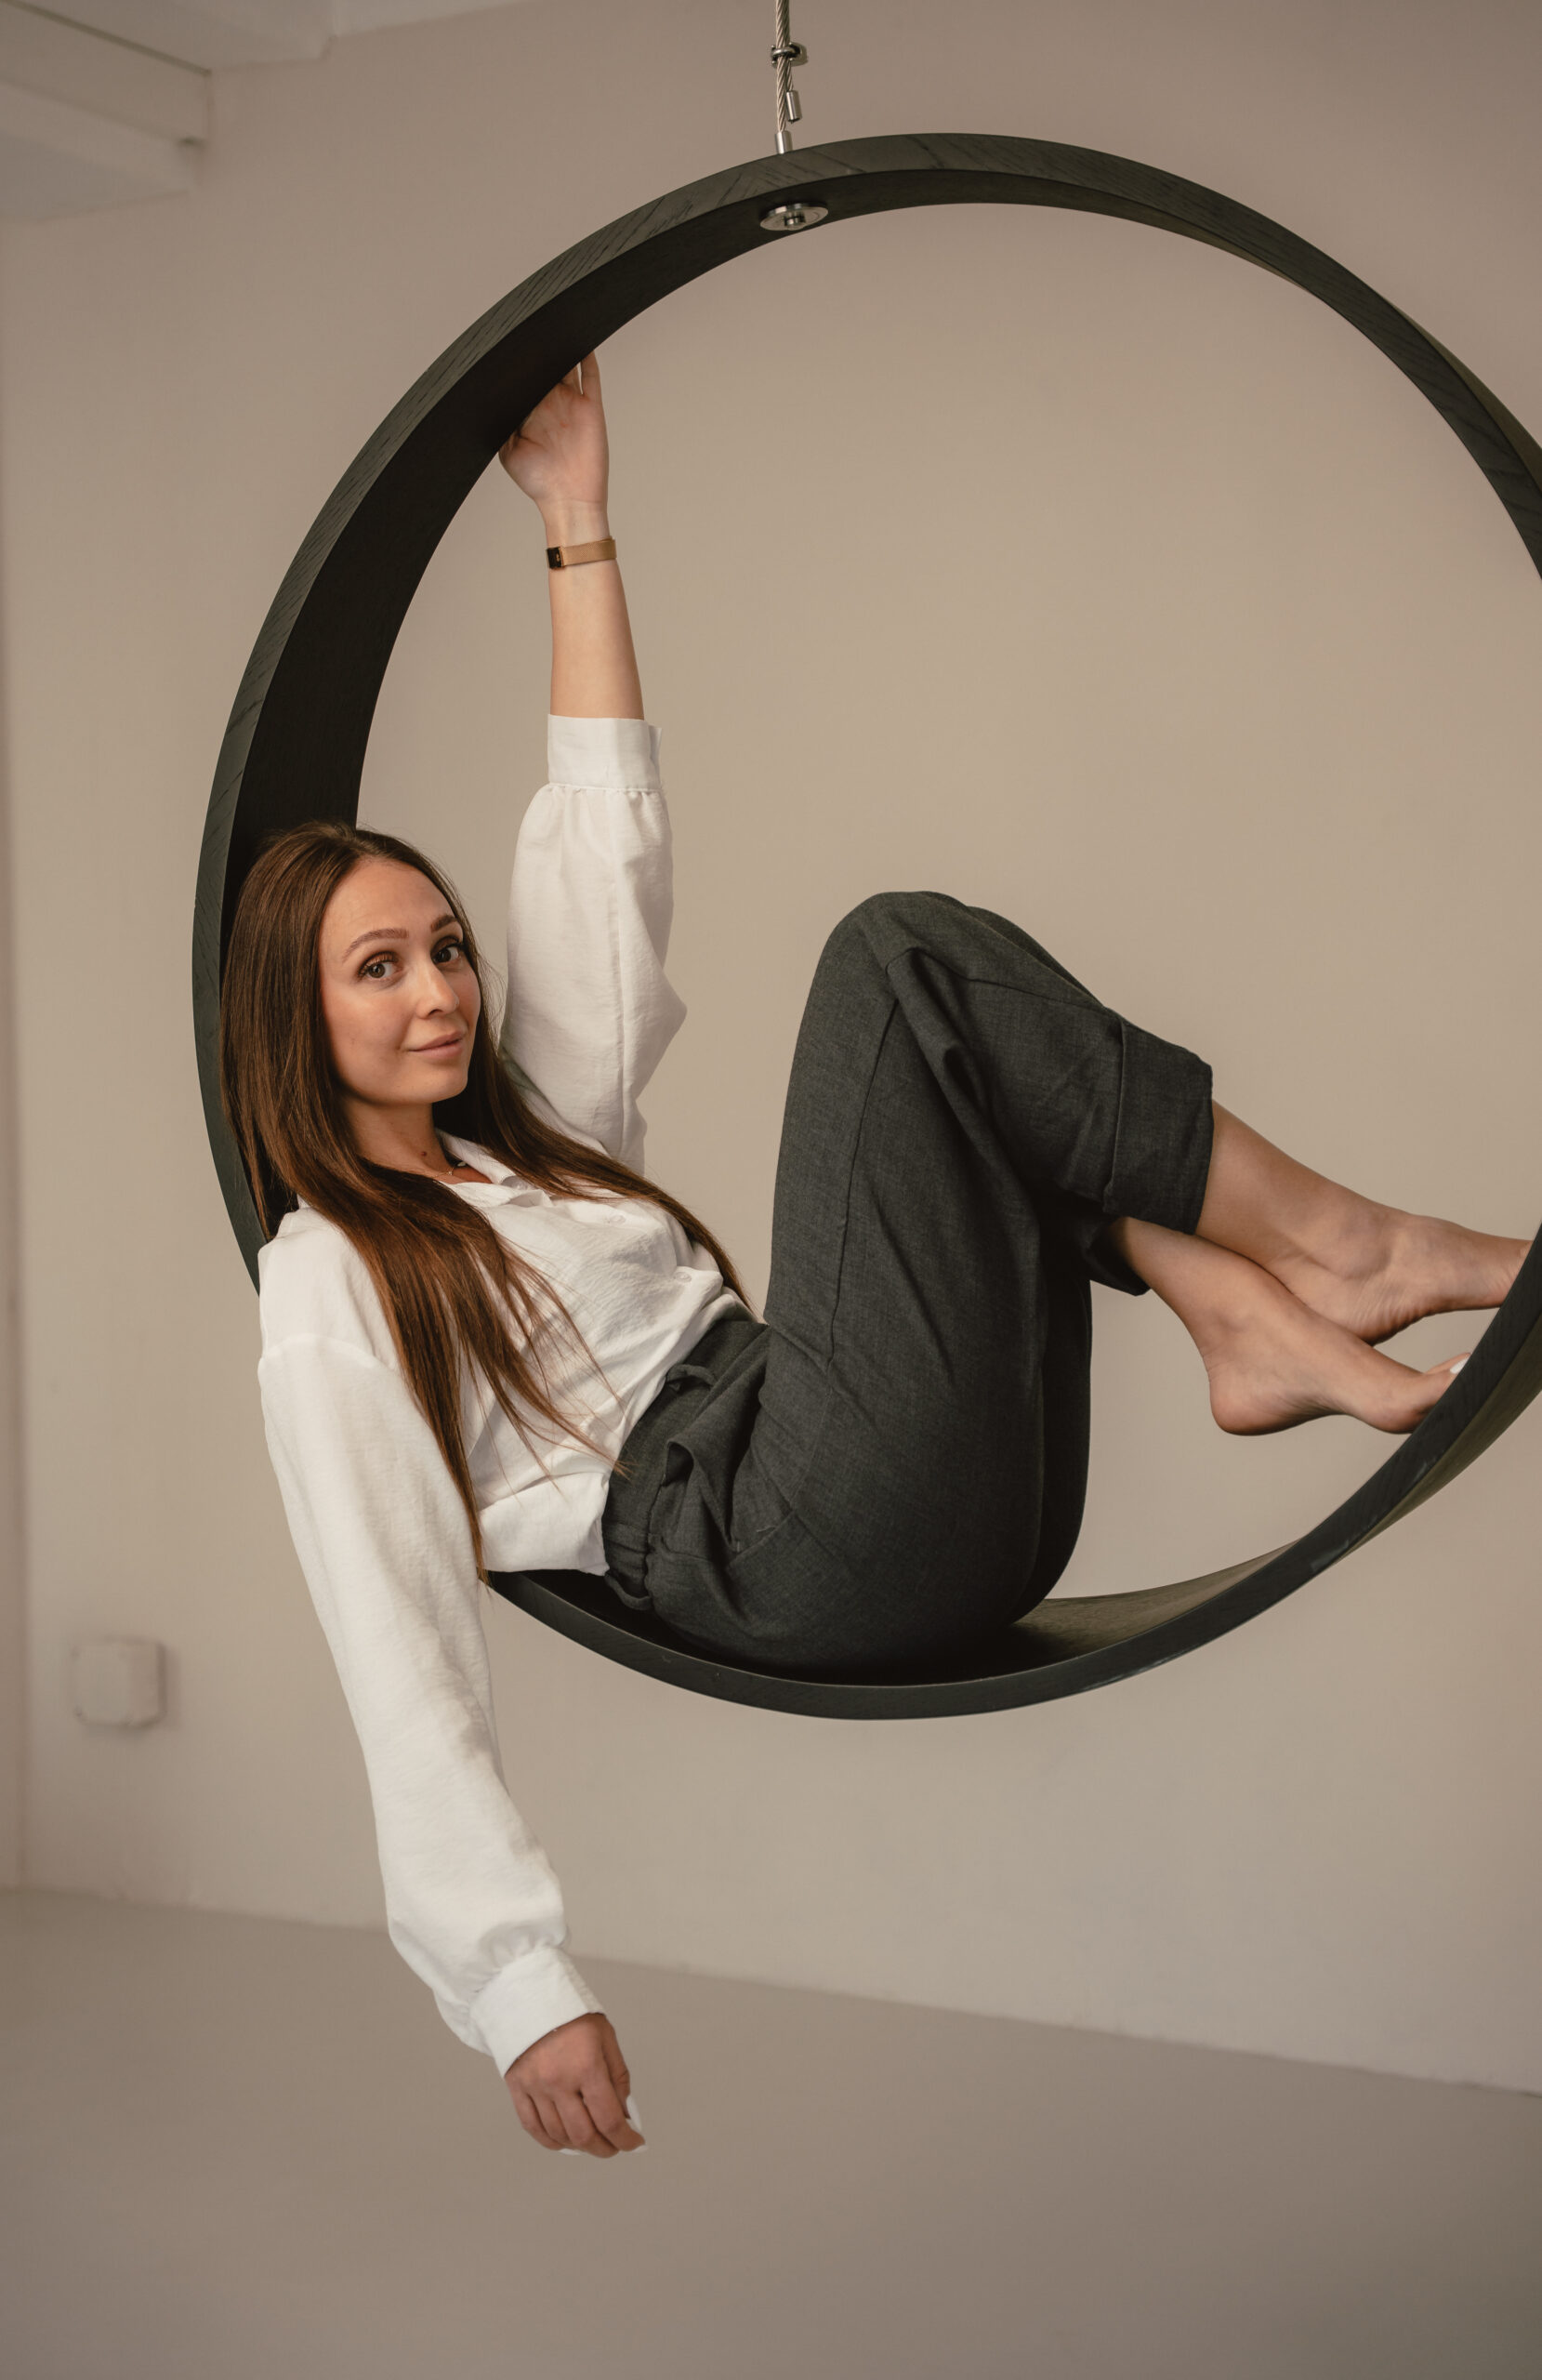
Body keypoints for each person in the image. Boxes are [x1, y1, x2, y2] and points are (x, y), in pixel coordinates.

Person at [219, 354, 1528, 2162]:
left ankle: (1243, 1312)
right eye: (379, 968)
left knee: (972, 1072)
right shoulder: (330, 1285)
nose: (441, 987)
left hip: (888, 1483)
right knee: (898, 962)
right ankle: (1342, 1253)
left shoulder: (533, 1147)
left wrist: (577, 519)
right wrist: (517, 1981)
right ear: (291, 1013)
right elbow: (395, 1645)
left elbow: (602, 860)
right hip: (777, 1534)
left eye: (444, 945)